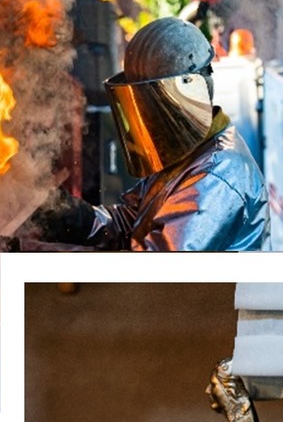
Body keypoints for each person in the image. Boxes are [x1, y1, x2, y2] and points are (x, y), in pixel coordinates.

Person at [18, 17, 266, 251]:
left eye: (153, 102)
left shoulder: (218, 175)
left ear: (190, 90)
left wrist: (27, 258)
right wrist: (65, 213)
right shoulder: (185, 156)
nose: (145, 115)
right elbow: (129, 226)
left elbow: (147, 273)